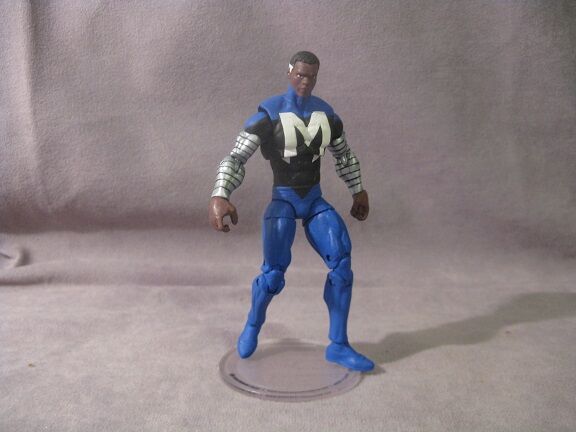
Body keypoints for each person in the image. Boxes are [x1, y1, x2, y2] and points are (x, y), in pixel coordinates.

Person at [208, 51, 374, 372]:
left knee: (342, 265)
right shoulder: (268, 115)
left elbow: (344, 155)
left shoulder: (326, 115)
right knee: (273, 275)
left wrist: (358, 189)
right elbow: (236, 157)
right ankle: (252, 324)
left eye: (311, 76)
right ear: (289, 73)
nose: (305, 81)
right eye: (300, 74)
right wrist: (220, 193)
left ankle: (338, 345)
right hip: (283, 200)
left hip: (314, 200)